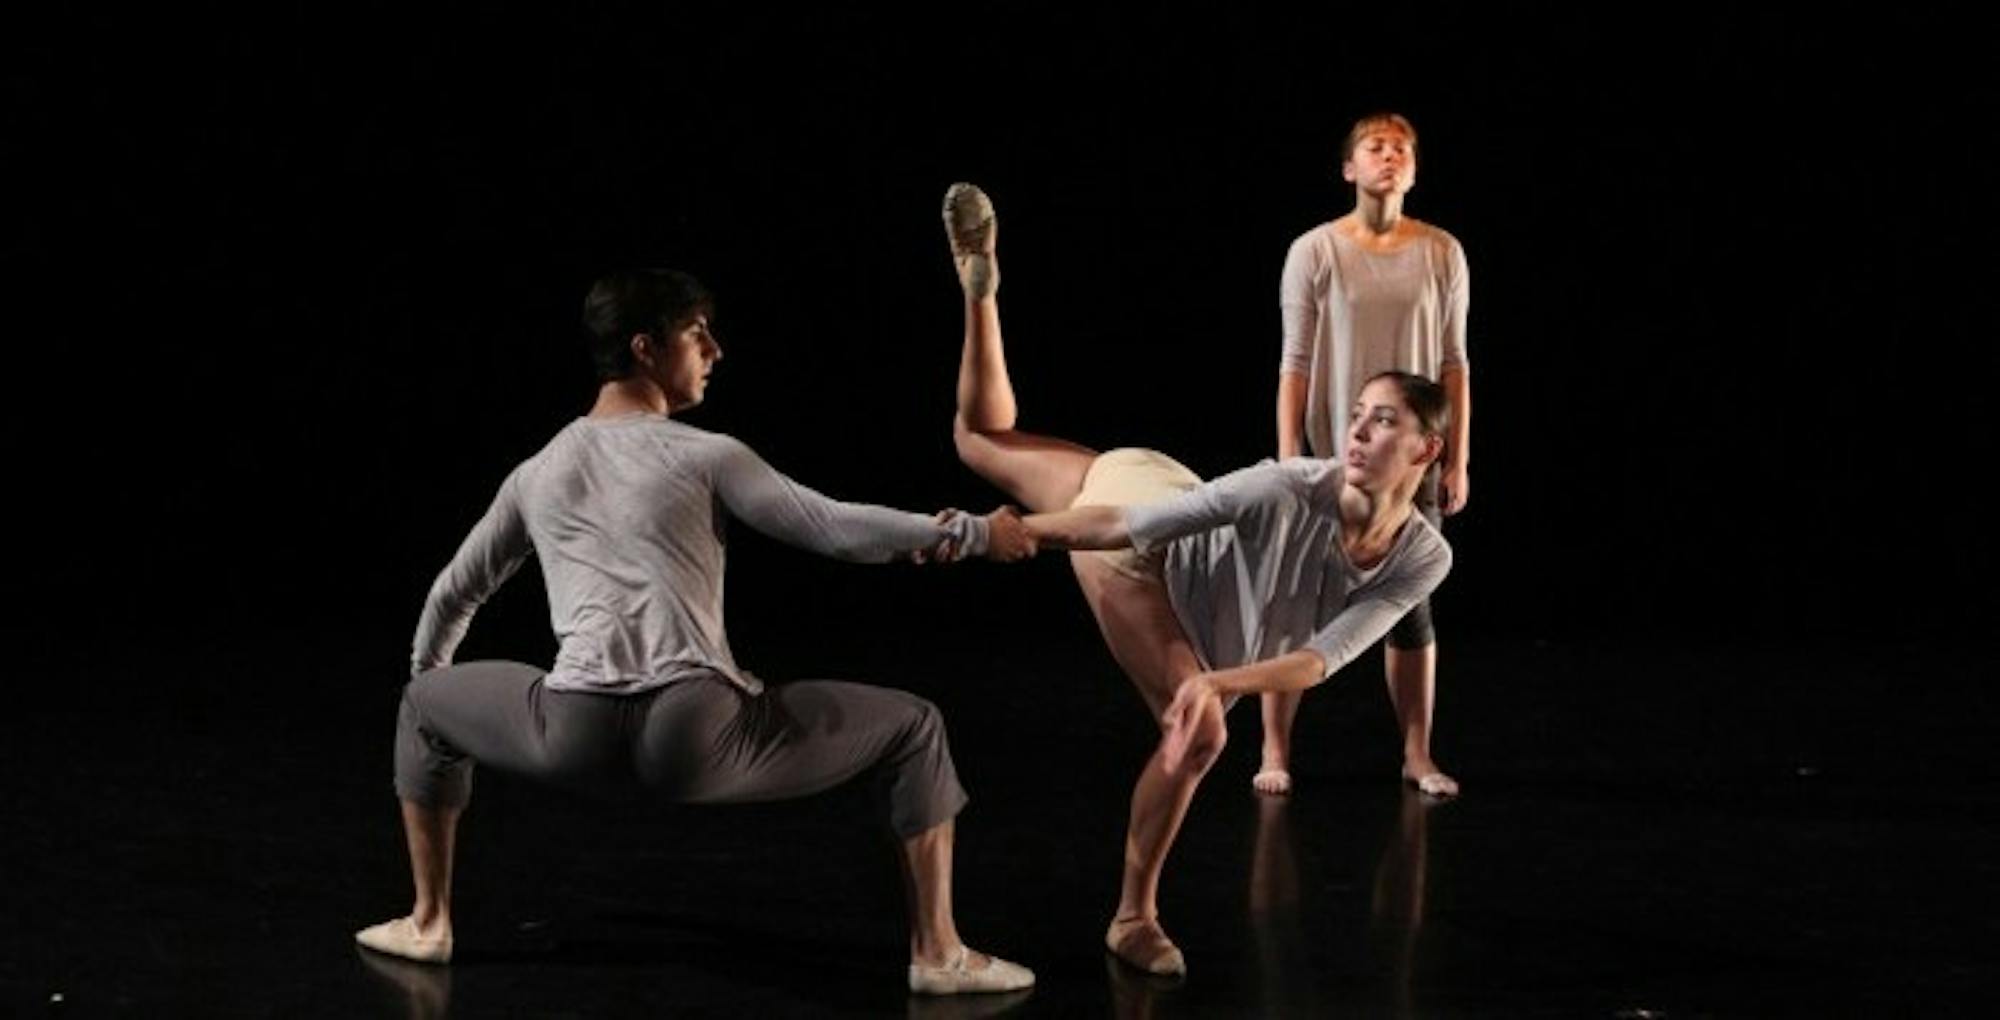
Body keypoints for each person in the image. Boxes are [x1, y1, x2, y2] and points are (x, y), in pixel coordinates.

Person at [354, 268, 1036, 996]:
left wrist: (433, 679)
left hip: (571, 736)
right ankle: (938, 954)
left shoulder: (537, 472)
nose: (715, 349)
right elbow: (834, 529)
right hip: (698, 740)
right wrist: (971, 534)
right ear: (645, 349)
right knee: (914, 727)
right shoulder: (707, 455)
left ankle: (429, 924)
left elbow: (455, 591)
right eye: (695, 332)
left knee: (424, 704)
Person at [940, 183, 1451, 976]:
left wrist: (1221, 679)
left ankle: (982, 296)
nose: (1358, 427)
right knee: (1201, 729)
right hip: (1142, 541)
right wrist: (997, 535)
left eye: (1384, 419)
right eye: (1357, 411)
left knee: (978, 438)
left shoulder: (1424, 555)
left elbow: (1323, 659)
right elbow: (1123, 528)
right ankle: (1131, 918)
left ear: (1426, 453)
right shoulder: (1288, 485)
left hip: (1153, 482)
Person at [1264, 111, 1473, 799]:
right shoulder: (1315, 250)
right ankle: (1273, 749)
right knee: (1291, 605)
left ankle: (1417, 754)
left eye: (1402, 149)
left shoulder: (1442, 251)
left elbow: (1453, 364)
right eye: (1375, 147)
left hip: (1412, 464)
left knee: (1410, 610)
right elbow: (1294, 361)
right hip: (1335, 455)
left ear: (1413, 171)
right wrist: (1291, 455)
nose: (1390, 156)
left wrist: (1456, 460)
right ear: (1350, 168)